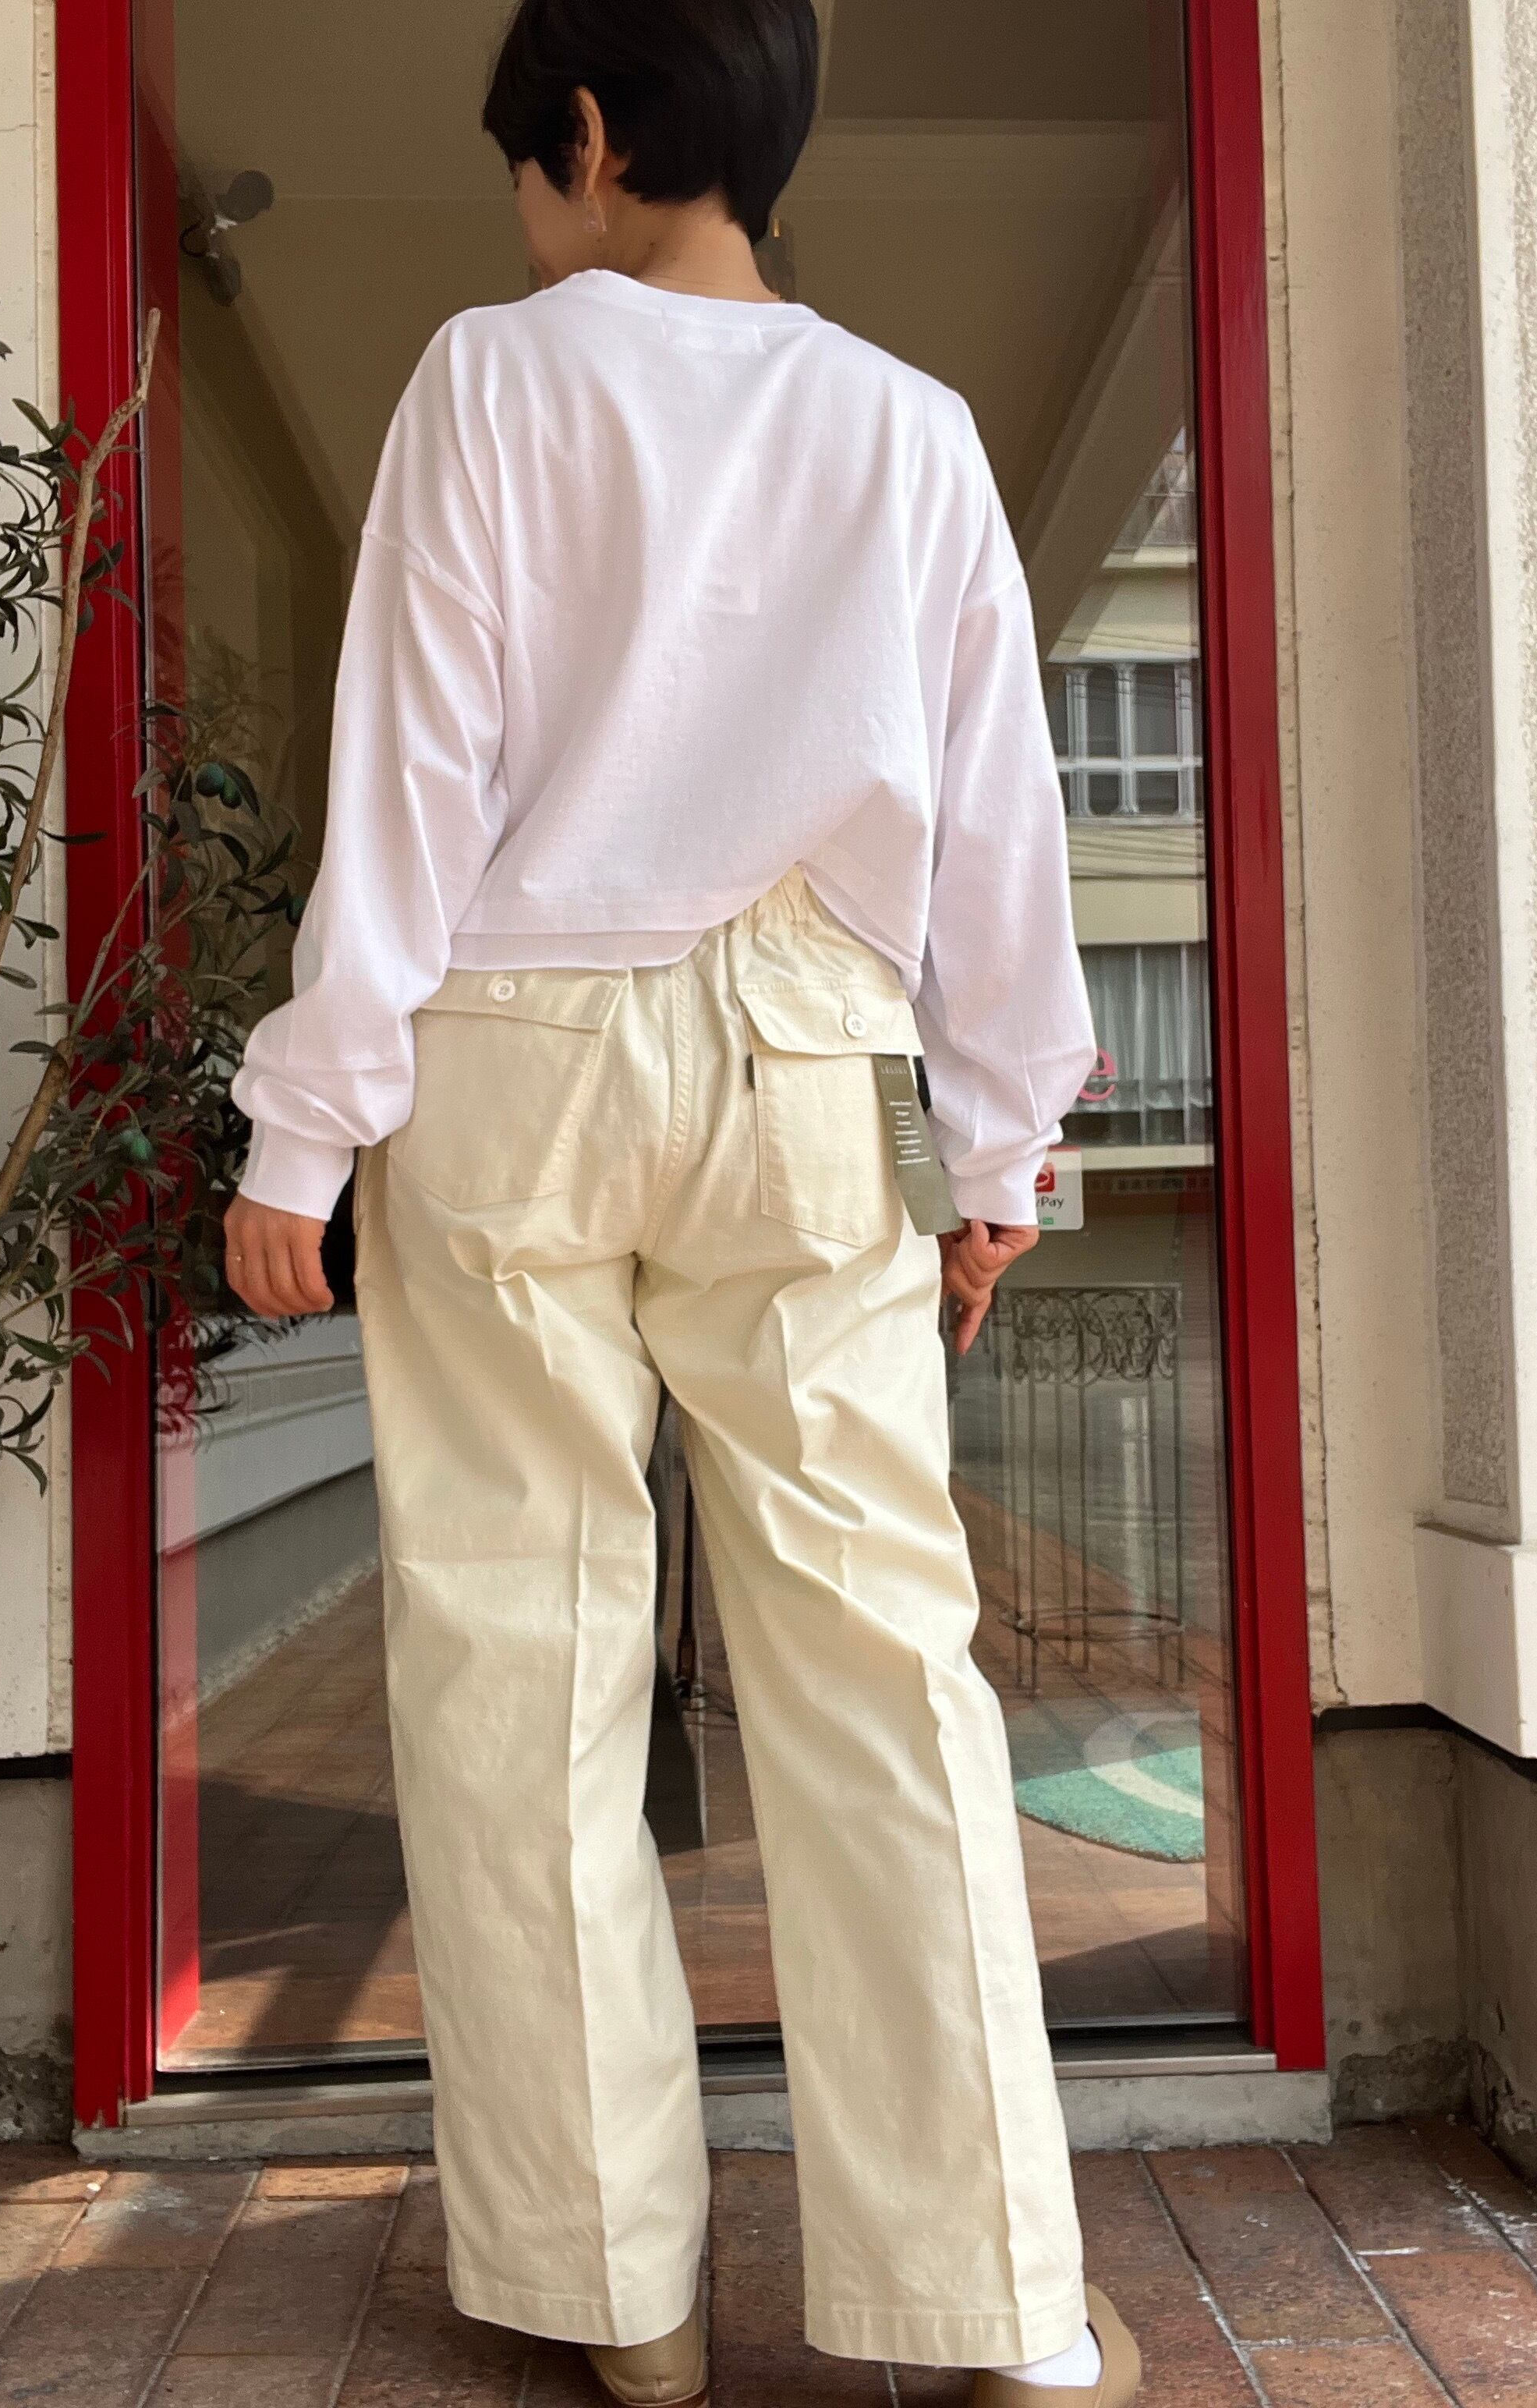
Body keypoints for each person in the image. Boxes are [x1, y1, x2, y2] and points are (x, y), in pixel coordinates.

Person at [222, 2, 1140, 2402]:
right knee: (877, 1674)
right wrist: (1002, 1150)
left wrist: (305, 1131)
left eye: (526, 164)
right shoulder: (908, 426)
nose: (525, 211)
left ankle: (607, 2291)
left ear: (592, 134)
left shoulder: (489, 380)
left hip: (514, 1051)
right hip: (811, 1055)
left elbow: (407, 779)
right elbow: (998, 817)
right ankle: (992, 2309)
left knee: (517, 1659)